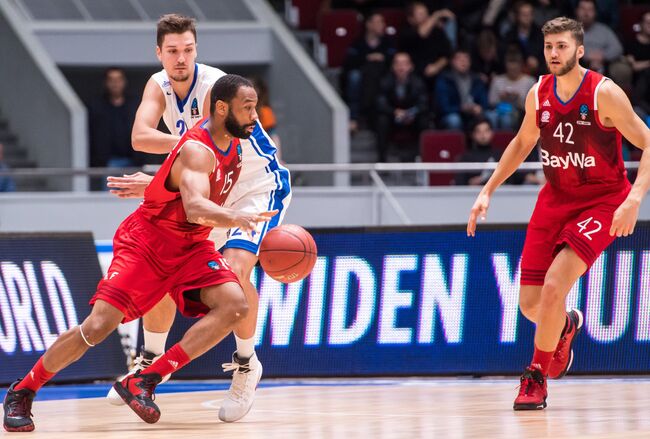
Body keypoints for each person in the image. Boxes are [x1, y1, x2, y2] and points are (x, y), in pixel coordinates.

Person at [2, 74, 278, 432]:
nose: (255, 116)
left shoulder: (236, 148)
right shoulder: (199, 148)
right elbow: (195, 206)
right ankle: (23, 390)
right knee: (99, 326)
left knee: (234, 303)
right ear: (222, 108)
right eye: (248, 108)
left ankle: (144, 380)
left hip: (191, 246)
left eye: (254, 107)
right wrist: (235, 216)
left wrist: (158, 184)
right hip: (148, 243)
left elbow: (185, 190)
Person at [104, 14, 291, 423]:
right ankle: (150, 359)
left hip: (256, 184)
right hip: (209, 179)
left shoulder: (215, 87)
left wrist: (163, 176)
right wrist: (173, 172)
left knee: (236, 270)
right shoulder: (158, 85)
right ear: (159, 53)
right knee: (163, 258)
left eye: (188, 50)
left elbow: (217, 148)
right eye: (172, 51)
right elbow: (140, 137)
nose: (181, 58)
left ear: (196, 51)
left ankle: (246, 364)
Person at [467, 17, 650, 410]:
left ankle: (534, 378)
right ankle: (565, 325)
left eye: (562, 46)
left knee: (554, 286)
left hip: (602, 199)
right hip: (555, 199)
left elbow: (648, 143)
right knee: (531, 306)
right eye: (549, 47)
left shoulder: (604, 93)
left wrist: (634, 199)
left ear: (579, 50)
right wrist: (487, 191)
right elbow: (521, 143)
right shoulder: (539, 92)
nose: (554, 53)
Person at [375, 52, 428, 162]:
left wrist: (411, 113)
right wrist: (394, 111)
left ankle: (421, 157)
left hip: (412, 116)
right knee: (381, 120)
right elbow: (380, 103)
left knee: (424, 120)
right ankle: (382, 159)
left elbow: (423, 103)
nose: (401, 67)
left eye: (404, 64)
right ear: (393, 67)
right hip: (392, 116)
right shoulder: (385, 81)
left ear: (411, 66)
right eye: (398, 64)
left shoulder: (418, 82)